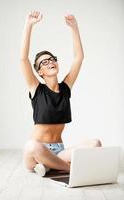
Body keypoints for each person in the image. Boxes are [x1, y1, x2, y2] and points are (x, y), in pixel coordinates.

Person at [20, 10, 102, 177]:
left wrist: (74, 27)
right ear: (39, 71)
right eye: (44, 61)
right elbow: (23, 59)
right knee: (31, 145)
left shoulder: (65, 88)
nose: (50, 62)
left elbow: (78, 58)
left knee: (95, 143)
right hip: (38, 151)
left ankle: (51, 166)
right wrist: (28, 25)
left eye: (52, 59)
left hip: (58, 150)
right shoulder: (36, 89)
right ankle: (68, 168)